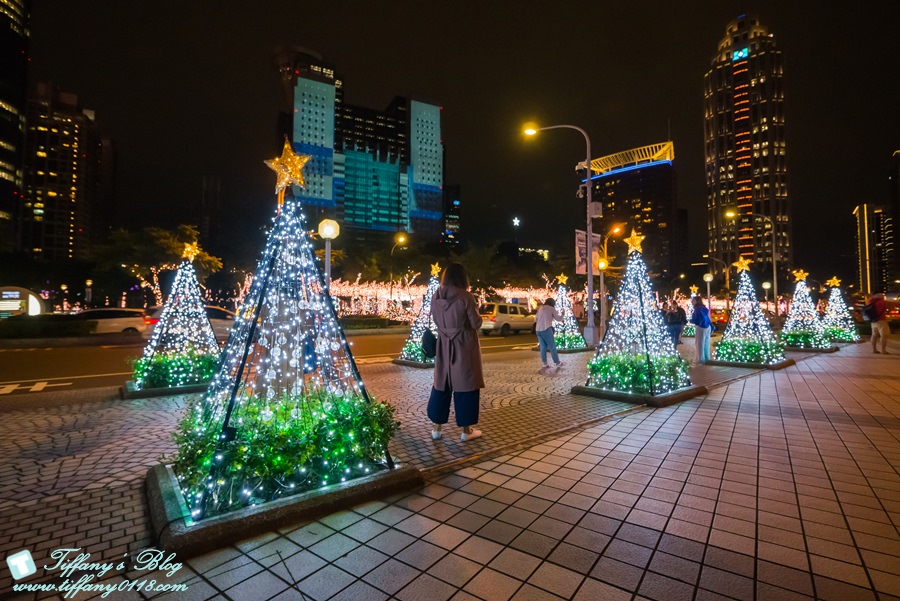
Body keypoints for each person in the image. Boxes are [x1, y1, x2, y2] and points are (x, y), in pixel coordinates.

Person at [428, 263, 485, 441]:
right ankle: (466, 431)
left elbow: (435, 319)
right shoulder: (466, 297)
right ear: (462, 278)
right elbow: (476, 324)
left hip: (444, 343)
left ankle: (436, 429)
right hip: (463, 344)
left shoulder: (435, 296)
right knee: (466, 384)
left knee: (441, 383)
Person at [535, 298, 563, 370]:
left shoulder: (540, 308)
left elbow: (535, 319)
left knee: (543, 347)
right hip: (546, 328)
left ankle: (545, 363)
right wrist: (563, 314)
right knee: (552, 346)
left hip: (538, 330)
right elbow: (558, 318)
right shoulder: (551, 309)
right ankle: (557, 362)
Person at [690, 296, 711, 364]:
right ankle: (707, 358)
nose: (692, 302)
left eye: (693, 300)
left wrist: (691, 321)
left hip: (700, 327)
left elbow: (695, 319)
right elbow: (709, 318)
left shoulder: (697, 309)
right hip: (707, 327)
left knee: (699, 343)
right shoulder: (705, 308)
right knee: (706, 343)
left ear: (696, 301)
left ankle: (700, 359)